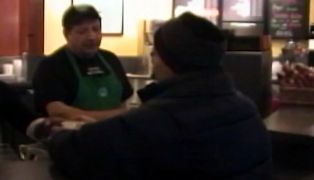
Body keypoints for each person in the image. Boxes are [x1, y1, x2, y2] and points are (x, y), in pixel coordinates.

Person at [47, 13, 272, 179]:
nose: (153, 58)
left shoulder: (158, 120)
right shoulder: (246, 108)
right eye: (82, 30)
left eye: (156, 51)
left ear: (169, 60)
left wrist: (62, 132)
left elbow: (74, 152)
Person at [33, 4, 133, 121]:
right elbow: (58, 112)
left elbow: (124, 103)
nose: (91, 36)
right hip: (73, 137)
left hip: (114, 136)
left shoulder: (111, 59)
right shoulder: (51, 66)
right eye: (82, 31)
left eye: (96, 29)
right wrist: (118, 115)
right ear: (67, 34)